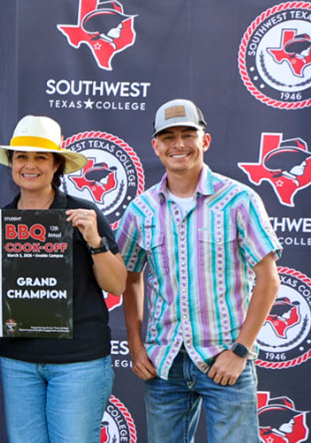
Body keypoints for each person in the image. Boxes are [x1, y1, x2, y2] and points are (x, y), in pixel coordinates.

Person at [116, 98, 282, 443]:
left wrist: (240, 351)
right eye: (168, 137)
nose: (178, 145)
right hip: (164, 364)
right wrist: (135, 346)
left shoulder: (239, 200)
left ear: (204, 140)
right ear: (156, 147)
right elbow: (129, 279)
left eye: (187, 135)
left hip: (226, 360)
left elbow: (269, 280)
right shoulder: (141, 210)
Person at [0, 115, 127, 443]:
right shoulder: (1, 220)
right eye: (21, 157)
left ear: (56, 165)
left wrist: (95, 241)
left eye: (40, 157)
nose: (30, 165)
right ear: (11, 163)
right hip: (20, 361)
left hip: (78, 361)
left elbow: (116, 285)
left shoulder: (82, 215)